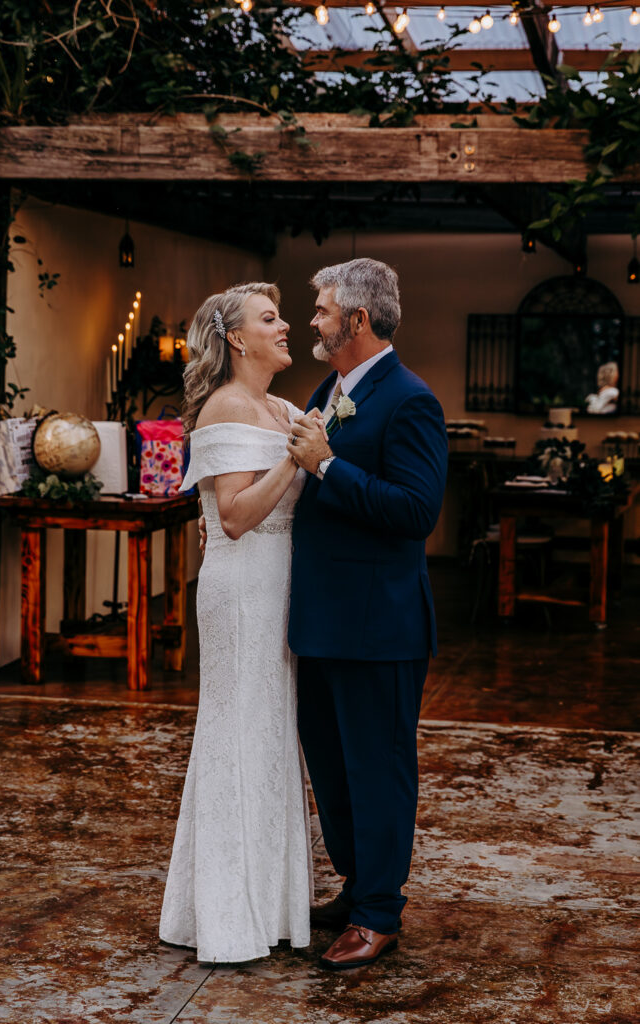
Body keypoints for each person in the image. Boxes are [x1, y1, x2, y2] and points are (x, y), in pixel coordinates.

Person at [287, 258, 447, 969]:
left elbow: (416, 512)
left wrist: (325, 465)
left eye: (321, 310)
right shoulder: (332, 387)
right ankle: (357, 886)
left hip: (379, 626)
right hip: (322, 619)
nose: (311, 321)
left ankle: (380, 910)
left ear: (355, 319)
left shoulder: (409, 399)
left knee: (378, 769)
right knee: (333, 767)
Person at [159, 282, 316, 963]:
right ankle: (225, 916)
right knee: (235, 731)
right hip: (241, 586)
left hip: (281, 585)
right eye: (269, 318)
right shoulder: (226, 404)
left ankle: (269, 907)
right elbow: (233, 516)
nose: (284, 328)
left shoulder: (283, 406)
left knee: (271, 732)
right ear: (235, 339)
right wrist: (295, 457)